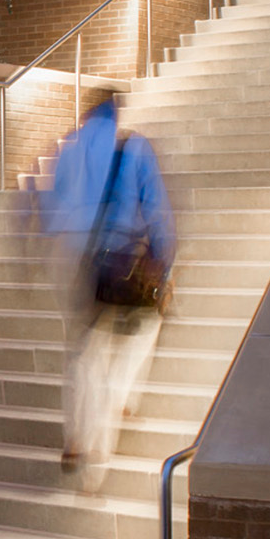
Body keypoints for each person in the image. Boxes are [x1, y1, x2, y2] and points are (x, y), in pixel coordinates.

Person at [36, 88, 176, 494]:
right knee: (144, 326)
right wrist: (164, 264)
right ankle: (98, 454)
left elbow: (48, 207)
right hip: (117, 258)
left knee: (83, 353)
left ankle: (75, 436)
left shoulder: (69, 148)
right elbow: (157, 210)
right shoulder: (133, 148)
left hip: (71, 259)